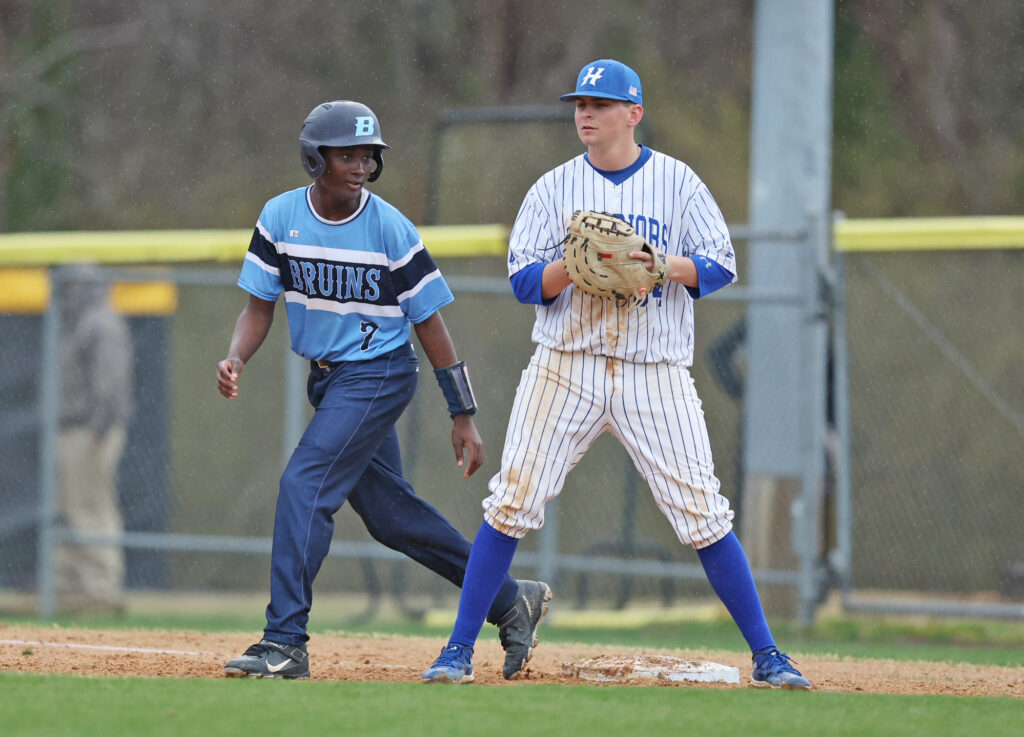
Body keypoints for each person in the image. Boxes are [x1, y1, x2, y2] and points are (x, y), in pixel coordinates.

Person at [421, 60, 812, 690]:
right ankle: (457, 651)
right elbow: (524, 282)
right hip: (564, 366)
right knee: (511, 501)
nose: (585, 113)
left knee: (703, 514)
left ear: (633, 113)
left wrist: (658, 264)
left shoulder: (678, 183)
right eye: (580, 103)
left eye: (600, 104)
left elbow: (720, 267)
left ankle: (769, 656)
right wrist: (573, 268)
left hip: (653, 371)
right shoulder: (551, 188)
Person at [218, 100, 551, 680]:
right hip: (329, 378)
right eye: (347, 154)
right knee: (390, 516)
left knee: (305, 482)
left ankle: (285, 640)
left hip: (379, 373)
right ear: (313, 159)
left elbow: (431, 323)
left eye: (369, 155)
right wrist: (235, 356)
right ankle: (508, 600)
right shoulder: (279, 218)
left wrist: (462, 411)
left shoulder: (391, 228)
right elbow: (258, 308)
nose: (361, 165)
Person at [55, 264, 133, 614]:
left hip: (91, 430)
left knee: (92, 507)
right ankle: (73, 587)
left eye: (73, 286)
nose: (67, 293)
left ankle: (101, 589)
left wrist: (99, 427)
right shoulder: (83, 320)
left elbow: (109, 379)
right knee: (72, 507)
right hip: (76, 427)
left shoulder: (101, 321)